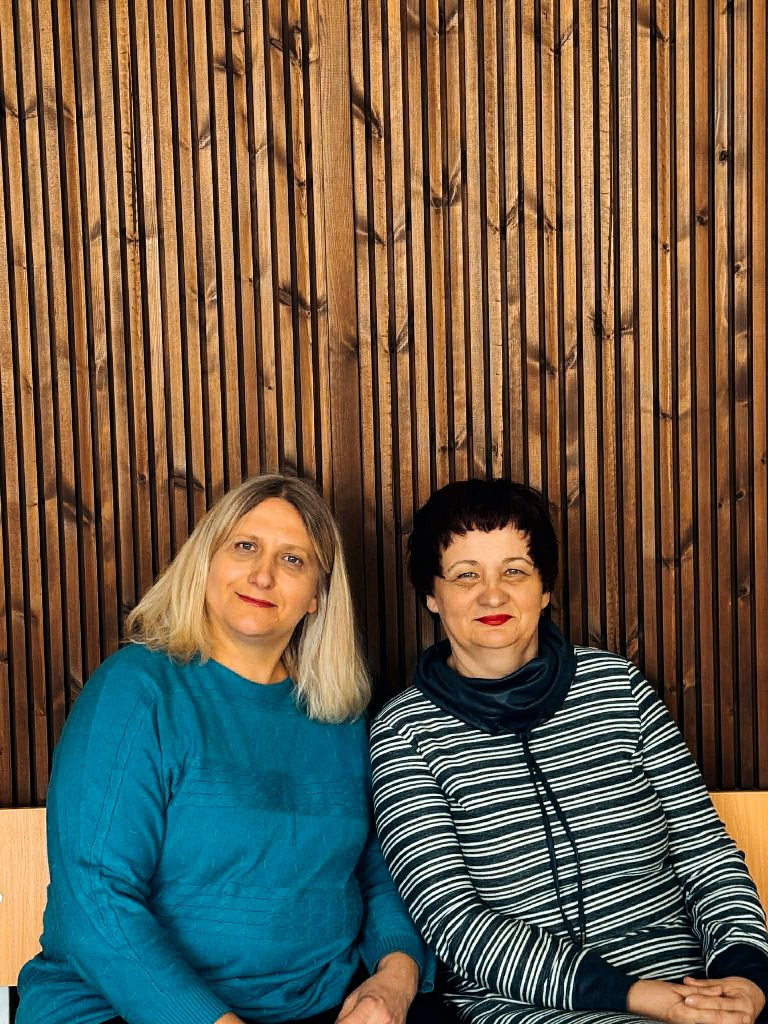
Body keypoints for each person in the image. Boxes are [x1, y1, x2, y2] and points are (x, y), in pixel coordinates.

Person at [17, 473, 444, 1024]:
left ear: (317, 595)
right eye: (245, 546)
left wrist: (396, 974)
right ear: (205, 563)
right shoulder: (138, 692)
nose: (263, 574)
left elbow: (374, 868)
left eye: (293, 560)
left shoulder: (338, 715)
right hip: (119, 1010)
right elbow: (95, 900)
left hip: (313, 1007)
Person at [370, 478, 768, 1024]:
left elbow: (705, 853)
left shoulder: (618, 687)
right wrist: (638, 997)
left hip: (693, 986)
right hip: (523, 1008)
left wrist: (744, 976)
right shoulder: (403, 731)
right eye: (466, 575)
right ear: (432, 596)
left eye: (515, 571)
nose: (493, 594)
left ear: (544, 589)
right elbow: (453, 921)